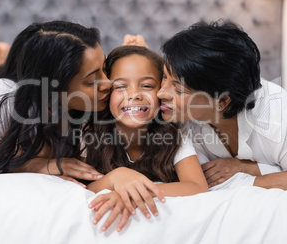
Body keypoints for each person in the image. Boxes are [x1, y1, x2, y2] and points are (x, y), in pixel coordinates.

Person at [155, 20, 287, 194]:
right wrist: (264, 179)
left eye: (178, 90)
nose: (161, 93)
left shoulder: (274, 112)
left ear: (221, 103)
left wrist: (248, 170)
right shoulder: (179, 117)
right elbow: (206, 182)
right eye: (164, 77)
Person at [0, 20, 112, 187]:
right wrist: (31, 166)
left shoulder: (94, 102)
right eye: (92, 80)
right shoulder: (2, 98)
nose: (109, 83)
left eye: (105, 68)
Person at [81, 45, 208, 231]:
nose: (134, 95)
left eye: (147, 86)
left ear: (161, 92)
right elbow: (82, 189)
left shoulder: (175, 131)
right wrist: (115, 178)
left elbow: (197, 186)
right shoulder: (89, 132)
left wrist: (133, 193)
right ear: (107, 93)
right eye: (121, 86)